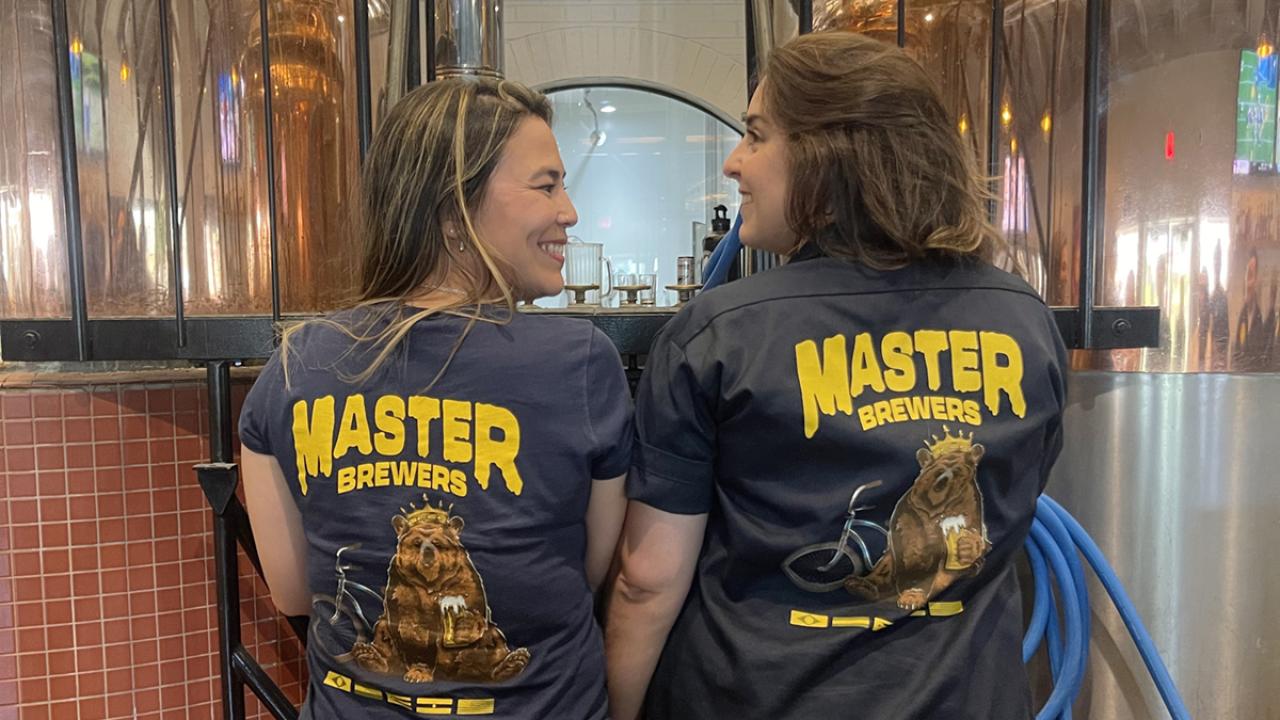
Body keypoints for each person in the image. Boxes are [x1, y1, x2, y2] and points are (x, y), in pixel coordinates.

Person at [606, 32, 1067, 720]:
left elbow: (647, 580)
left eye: (757, 136)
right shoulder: (1024, 321)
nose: (734, 163)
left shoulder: (718, 333)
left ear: (828, 157)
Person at [238, 78, 631, 719]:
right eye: (546, 184)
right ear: (455, 211)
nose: (570, 211)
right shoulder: (581, 363)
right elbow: (584, 578)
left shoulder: (296, 362)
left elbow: (293, 590)